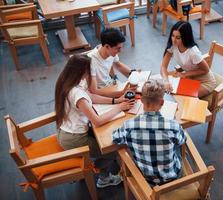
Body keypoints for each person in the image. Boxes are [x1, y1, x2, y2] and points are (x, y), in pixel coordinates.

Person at [55, 55, 135, 188]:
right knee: (113, 149)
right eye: (88, 70)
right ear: (82, 71)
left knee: (106, 137)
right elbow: (97, 121)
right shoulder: (77, 94)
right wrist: (119, 107)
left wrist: (115, 101)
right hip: (74, 138)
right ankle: (103, 178)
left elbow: (91, 96)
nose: (90, 73)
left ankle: (102, 166)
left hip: (65, 131)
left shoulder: (67, 81)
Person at [112, 79, 186, 186]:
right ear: (162, 102)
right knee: (178, 142)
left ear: (141, 100)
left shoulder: (129, 125)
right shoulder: (173, 126)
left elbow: (115, 138)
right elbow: (182, 140)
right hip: (173, 177)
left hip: (146, 179)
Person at [160, 21, 217, 98]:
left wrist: (184, 74)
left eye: (178, 37)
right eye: (173, 36)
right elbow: (163, 67)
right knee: (168, 91)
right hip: (190, 78)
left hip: (205, 82)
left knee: (182, 98)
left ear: (185, 37)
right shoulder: (173, 46)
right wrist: (166, 81)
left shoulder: (193, 52)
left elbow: (206, 70)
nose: (173, 40)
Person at [88, 28, 137, 98]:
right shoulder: (90, 61)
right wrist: (120, 93)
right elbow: (94, 91)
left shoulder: (110, 52)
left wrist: (133, 75)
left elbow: (118, 65)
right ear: (107, 46)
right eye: (118, 48)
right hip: (100, 93)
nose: (120, 51)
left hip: (110, 85)